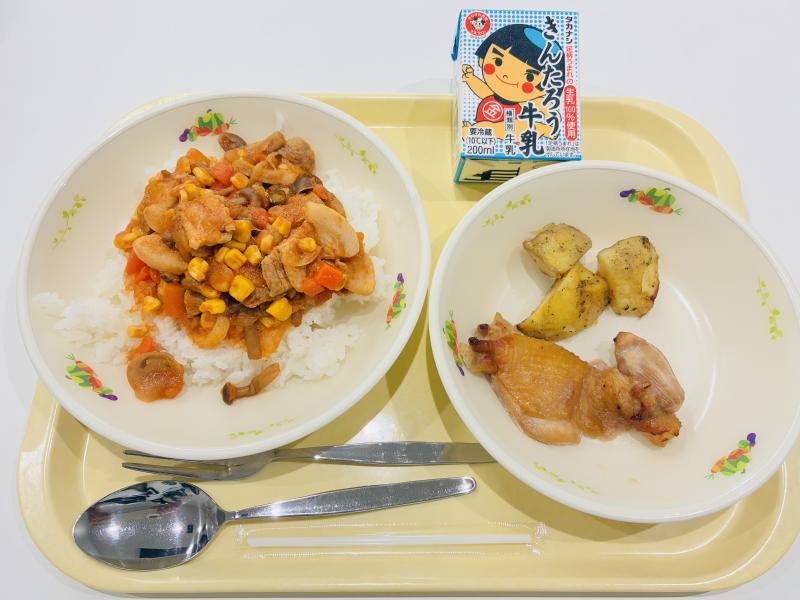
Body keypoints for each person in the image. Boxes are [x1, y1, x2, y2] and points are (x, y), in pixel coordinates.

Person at [462, 24, 564, 142]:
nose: (507, 76)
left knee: (516, 127)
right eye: (498, 62)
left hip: (511, 123)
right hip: (488, 129)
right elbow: (485, 93)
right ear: (482, 59)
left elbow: (544, 107)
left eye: (529, 77)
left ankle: (546, 130)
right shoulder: (495, 96)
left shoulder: (528, 105)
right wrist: (470, 78)